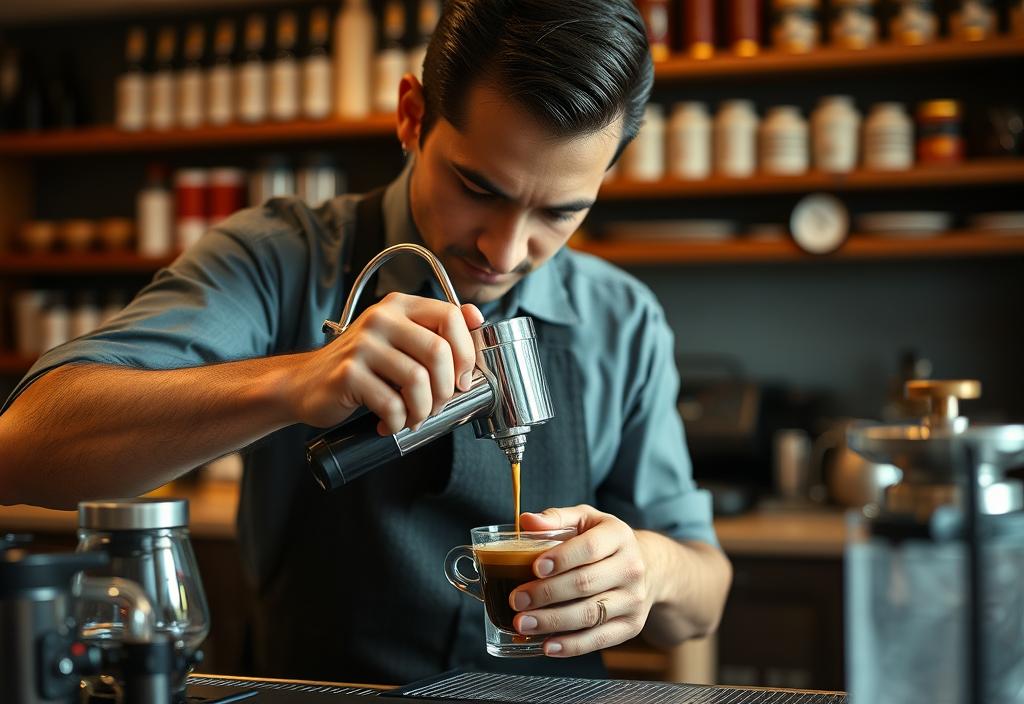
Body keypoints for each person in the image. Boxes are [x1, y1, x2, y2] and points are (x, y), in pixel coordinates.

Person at [0, 0, 731, 686]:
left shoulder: (623, 319)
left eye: (561, 212)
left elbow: (701, 597)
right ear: (412, 117)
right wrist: (290, 383)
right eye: (478, 187)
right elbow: (22, 447)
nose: (505, 252)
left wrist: (651, 568)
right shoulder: (278, 260)